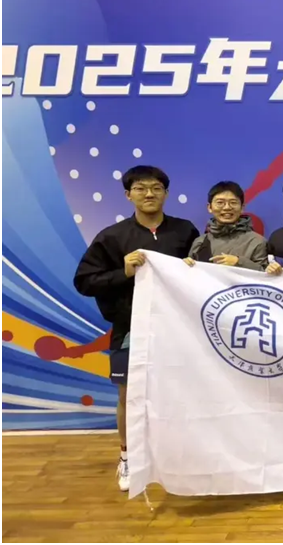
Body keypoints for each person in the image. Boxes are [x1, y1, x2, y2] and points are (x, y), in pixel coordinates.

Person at [72, 165, 199, 491]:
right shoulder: (112, 237)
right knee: (128, 395)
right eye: (141, 188)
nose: (149, 194)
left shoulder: (185, 231)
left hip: (178, 329)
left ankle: (178, 454)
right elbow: (84, 281)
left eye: (156, 188)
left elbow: (203, 275)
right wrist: (123, 272)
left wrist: (194, 268)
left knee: (179, 391)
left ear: (166, 193)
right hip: (130, 329)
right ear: (128, 195)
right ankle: (128, 456)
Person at [184, 181, 269, 271]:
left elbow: (265, 275)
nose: (227, 207)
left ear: (242, 208)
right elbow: (191, 276)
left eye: (233, 202)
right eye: (220, 202)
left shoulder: (257, 242)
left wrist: (239, 262)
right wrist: (185, 266)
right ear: (209, 207)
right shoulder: (199, 242)